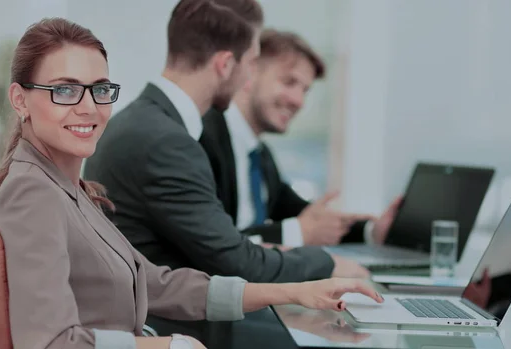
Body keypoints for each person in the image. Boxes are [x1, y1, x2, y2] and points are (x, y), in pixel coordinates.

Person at [0, 18, 384, 349]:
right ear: (20, 100)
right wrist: (168, 346)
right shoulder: (33, 195)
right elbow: (50, 343)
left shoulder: (68, 187)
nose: (89, 107)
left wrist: (293, 291)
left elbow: (154, 283)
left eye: (100, 89)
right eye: (64, 90)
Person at [83, 0, 369, 281]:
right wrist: (326, 263)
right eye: (251, 62)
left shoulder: (146, 123)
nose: (249, 74)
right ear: (226, 64)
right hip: (164, 320)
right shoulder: (167, 142)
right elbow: (237, 262)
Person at [200, 29, 403, 248]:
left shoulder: (260, 157)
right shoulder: (202, 137)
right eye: (289, 82)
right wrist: (298, 232)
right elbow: (212, 241)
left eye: (305, 90)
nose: (299, 101)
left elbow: (305, 216)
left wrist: (371, 230)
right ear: (249, 74)